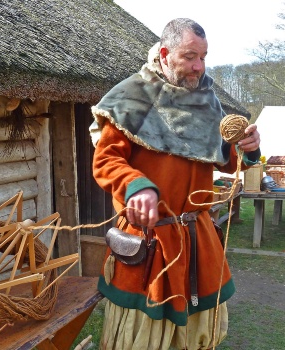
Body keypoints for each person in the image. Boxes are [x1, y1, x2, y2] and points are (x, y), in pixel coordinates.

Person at [90, 18, 261, 350]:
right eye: (190, 56)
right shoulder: (130, 97)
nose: (199, 66)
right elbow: (105, 161)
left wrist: (247, 148)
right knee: (138, 338)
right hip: (150, 245)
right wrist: (137, 186)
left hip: (198, 241)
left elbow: (223, 157)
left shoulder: (206, 99)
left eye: (204, 57)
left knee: (199, 337)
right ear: (166, 53)